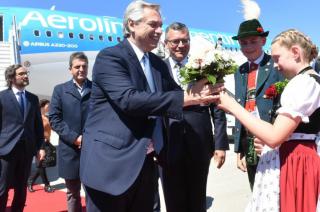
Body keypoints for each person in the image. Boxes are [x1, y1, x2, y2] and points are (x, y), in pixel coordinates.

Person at [79, 1, 221, 211]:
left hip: (146, 164)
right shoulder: (110, 57)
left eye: (160, 25)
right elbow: (129, 100)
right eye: (153, 25)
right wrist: (187, 97)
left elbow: (178, 92)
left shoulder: (156, 63)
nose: (159, 31)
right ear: (132, 24)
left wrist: (209, 80)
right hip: (111, 166)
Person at [218, 29, 320, 212]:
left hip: (295, 160)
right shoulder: (310, 80)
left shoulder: (302, 83)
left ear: (295, 52)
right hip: (299, 157)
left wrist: (233, 106)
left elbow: (274, 137)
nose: (275, 65)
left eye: (277, 58)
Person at [162, 22, 229, 212]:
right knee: (173, 199)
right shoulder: (157, 68)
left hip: (200, 141)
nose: (180, 45)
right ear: (166, 43)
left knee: (198, 197)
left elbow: (218, 106)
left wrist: (220, 144)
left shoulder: (204, 67)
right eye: (175, 41)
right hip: (168, 144)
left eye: (185, 40)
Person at [231, 19, 283, 190]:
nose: (248, 46)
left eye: (253, 41)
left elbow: (284, 104)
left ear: (263, 40)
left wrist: (275, 137)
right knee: (256, 188)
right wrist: (239, 148)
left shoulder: (276, 66)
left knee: (275, 189)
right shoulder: (240, 71)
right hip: (249, 139)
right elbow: (240, 107)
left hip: (272, 137)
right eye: (243, 43)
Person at [49, 52, 92, 212]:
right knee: (73, 193)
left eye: (84, 66)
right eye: (77, 66)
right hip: (70, 150)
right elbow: (54, 119)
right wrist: (75, 138)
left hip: (92, 150)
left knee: (93, 193)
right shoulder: (60, 90)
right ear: (70, 69)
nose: (81, 69)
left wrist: (89, 138)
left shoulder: (96, 89)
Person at [0, 64, 45, 212]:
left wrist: (40, 148)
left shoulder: (32, 98)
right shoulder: (2, 97)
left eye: (26, 73)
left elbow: (38, 126)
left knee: (21, 189)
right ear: (12, 77)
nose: (26, 76)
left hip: (26, 151)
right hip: (6, 151)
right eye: (21, 74)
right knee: (2, 189)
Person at [28, 99, 55, 193]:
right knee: (41, 165)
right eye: (48, 105)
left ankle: (30, 181)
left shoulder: (46, 117)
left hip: (47, 142)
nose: (49, 107)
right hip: (39, 143)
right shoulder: (38, 117)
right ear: (43, 106)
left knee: (41, 165)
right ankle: (47, 185)